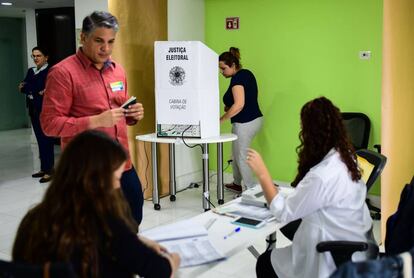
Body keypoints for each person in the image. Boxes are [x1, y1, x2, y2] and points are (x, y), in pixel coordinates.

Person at [12, 130, 180, 278]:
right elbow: (159, 270)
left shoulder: (33, 220)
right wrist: (173, 260)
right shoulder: (107, 223)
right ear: (96, 180)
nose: (117, 186)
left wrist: (135, 241)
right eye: (115, 178)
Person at [246, 97, 373, 278]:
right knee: (291, 227)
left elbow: (283, 212)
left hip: (329, 255)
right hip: (354, 244)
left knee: (265, 262)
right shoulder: (347, 158)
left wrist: (262, 173)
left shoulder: (321, 175)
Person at [40, 11, 144, 224]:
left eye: (111, 42)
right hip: (88, 171)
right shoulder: (62, 73)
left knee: (133, 220)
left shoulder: (118, 71)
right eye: (99, 41)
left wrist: (133, 115)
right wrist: (95, 121)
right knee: (96, 235)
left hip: (123, 164)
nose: (106, 49)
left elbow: (119, 110)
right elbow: (49, 125)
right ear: (83, 37)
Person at [219, 47, 263, 194]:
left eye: (223, 68)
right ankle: (237, 184)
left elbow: (239, 104)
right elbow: (240, 102)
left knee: (241, 155)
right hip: (250, 120)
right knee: (236, 153)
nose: (221, 72)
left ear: (232, 65)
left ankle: (250, 190)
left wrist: (221, 120)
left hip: (246, 122)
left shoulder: (239, 77)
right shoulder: (244, 75)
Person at [18, 46, 55, 183]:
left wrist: (30, 88)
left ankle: (50, 170)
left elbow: (35, 88)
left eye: (38, 56)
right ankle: (44, 168)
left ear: (46, 57)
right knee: (40, 140)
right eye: (33, 56)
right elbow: (23, 87)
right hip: (33, 109)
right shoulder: (31, 71)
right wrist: (34, 90)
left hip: (45, 110)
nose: (35, 58)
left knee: (46, 139)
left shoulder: (50, 71)